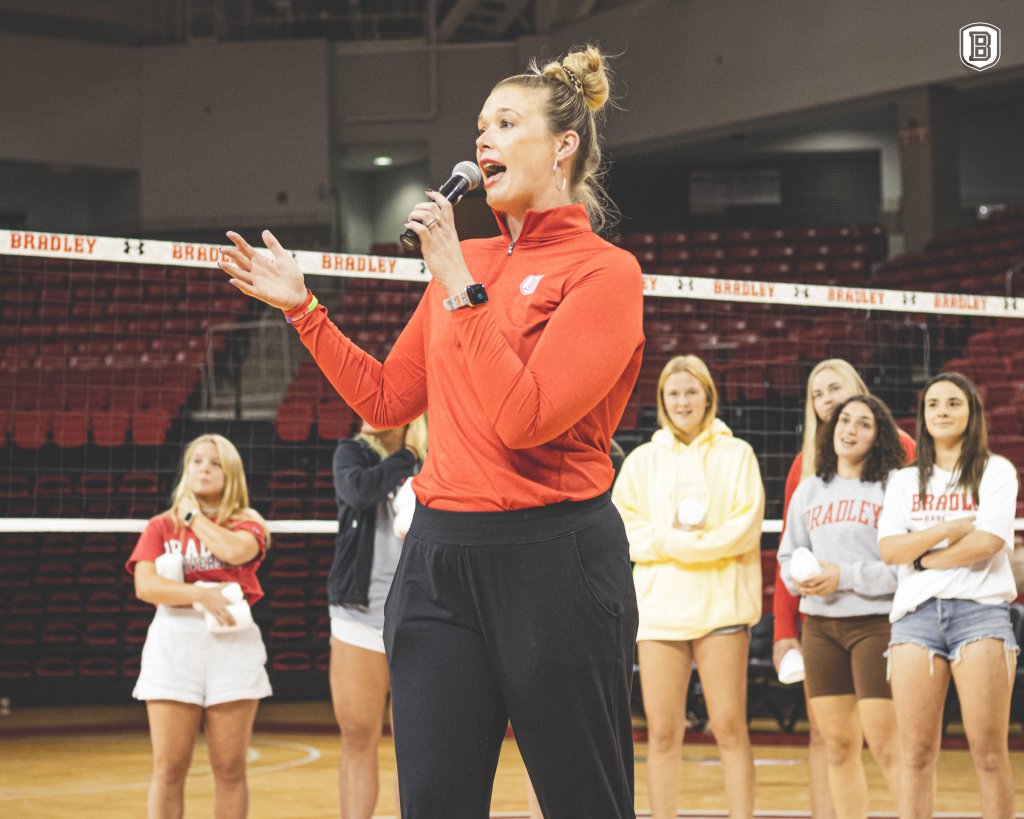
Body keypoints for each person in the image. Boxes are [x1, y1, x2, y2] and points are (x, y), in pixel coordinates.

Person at [220, 44, 644, 819]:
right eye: (479, 126)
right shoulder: (471, 259)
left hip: (556, 562)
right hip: (439, 563)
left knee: (587, 803)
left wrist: (458, 283)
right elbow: (385, 400)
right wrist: (303, 309)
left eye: (506, 123)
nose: (481, 141)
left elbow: (525, 420)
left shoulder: (605, 272)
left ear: (564, 146)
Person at [613, 354, 764, 819]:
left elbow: (744, 528)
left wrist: (667, 543)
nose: (682, 401)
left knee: (730, 727)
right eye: (673, 393)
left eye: (691, 392)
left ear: (707, 397)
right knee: (662, 733)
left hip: (722, 608)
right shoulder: (642, 461)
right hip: (660, 613)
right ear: (662, 401)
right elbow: (625, 532)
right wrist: (696, 543)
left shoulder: (737, 454)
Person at [772, 358, 915, 818]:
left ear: (879, 435)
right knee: (836, 745)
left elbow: (905, 566)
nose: (848, 428)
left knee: (888, 743)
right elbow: (787, 556)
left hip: (876, 626)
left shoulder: (894, 486)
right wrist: (802, 578)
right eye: (841, 419)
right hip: (821, 630)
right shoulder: (809, 486)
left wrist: (844, 576)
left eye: (862, 422)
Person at [879, 372, 1019, 819]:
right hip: (915, 618)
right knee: (916, 754)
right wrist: (945, 531)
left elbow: (988, 543)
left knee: (989, 754)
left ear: (971, 412)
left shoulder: (995, 471)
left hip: (981, 615)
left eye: (954, 403)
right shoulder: (903, 481)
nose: (942, 410)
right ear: (923, 416)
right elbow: (889, 549)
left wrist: (922, 559)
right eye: (934, 403)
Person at [126, 434, 271, 819]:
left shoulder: (247, 522)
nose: (203, 468)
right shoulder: (160, 526)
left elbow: (235, 552)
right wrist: (198, 595)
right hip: (174, 644)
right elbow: (146, 585)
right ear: (185, 470)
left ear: (231, 473)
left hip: (232, 644)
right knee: (169, 769)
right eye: (196, 462)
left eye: (214, 463)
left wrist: (193, 517)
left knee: (230, 769)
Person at [329, 416, 426, 819]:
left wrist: (421, 458)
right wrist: (408, 456)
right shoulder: (352, 454)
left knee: (419, 742)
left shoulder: (439, 460)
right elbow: (360, 490)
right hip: (360, 611)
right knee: (356, 736)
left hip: (422, 613)